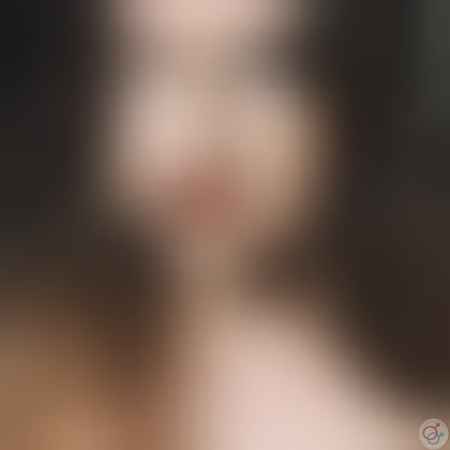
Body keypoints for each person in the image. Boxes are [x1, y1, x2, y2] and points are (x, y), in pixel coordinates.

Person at [1, 1, 449, 449]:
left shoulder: (425, 389)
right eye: (149, 65)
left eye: (267, 66)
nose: (203, 132)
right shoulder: (29, 380)